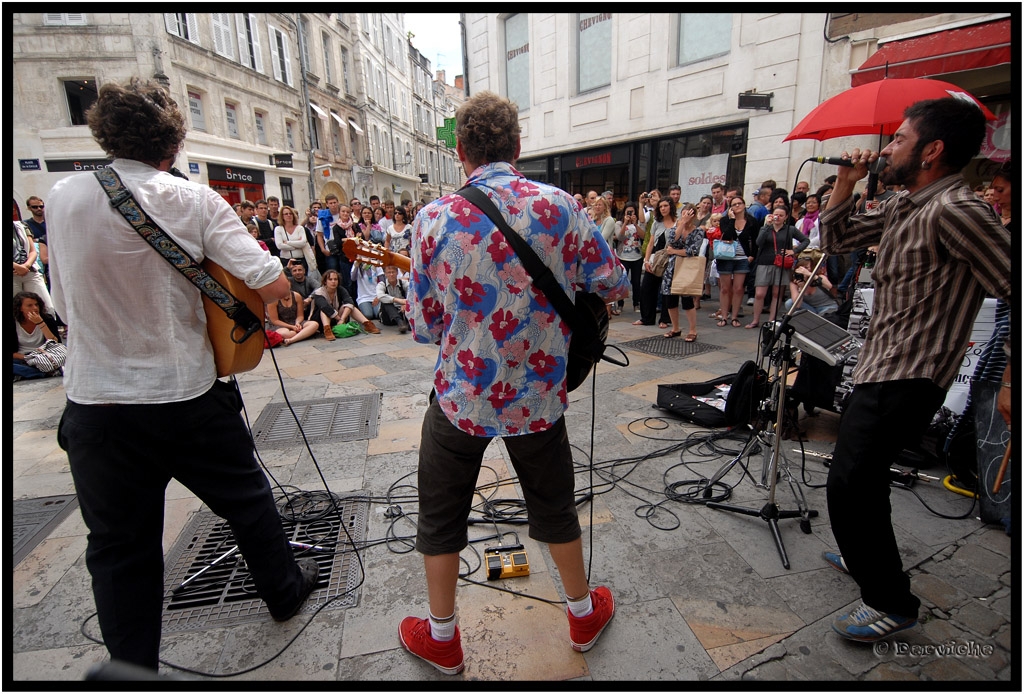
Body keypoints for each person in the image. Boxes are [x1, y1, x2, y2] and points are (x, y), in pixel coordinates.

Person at [45, 77, 319, 671]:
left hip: (96, 403)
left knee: (118, 548)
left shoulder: (63, 196)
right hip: (185, 395)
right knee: (247, 502)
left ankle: (132, 669)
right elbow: (272, 285)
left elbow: (63, 302)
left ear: (104, 134)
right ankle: (283, 590)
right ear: (172, 143)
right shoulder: (190, 199)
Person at [403, 91, 628, 675]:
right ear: (518, 146)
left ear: (461, 151)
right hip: (538, 396)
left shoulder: (433, 218)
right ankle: (582, 614)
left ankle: (443, 637)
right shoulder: (559, 206)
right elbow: (611, 280)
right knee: (555, 506)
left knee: (440, 513)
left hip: (460, 399)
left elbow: (425, 325)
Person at [818, 98, 1011, 643]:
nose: (887, 147)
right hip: (880, 363)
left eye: (899, 139)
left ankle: (890, 602)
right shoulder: (906, 205)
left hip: (914, 371)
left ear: (932, 150)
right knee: (859, 478)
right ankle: (865, 559)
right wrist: (847, 182)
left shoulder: (958, 210)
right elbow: (834, 241)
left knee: (850, 481)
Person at [748, 205, 808, 328]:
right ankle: (755, 320)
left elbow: (805, 240)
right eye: (776, 214)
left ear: (786, 217)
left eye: (781, 215)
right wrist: (766, 226)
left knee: (777, 293)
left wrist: (794, 251)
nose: (778, 217)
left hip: (782, 263)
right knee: (759, 293)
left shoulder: (790, 229)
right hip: (764, 262)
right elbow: (759, 242)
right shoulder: (766, 228)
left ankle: (772, 320)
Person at [660, 203, 704, 341]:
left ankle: (692, 330)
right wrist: (682, 224)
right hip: (672, 268)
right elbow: (671, 240)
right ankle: (675, 328)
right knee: (670, 300)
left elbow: (693, 251)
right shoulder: (675, 228)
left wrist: (674, 251)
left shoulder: (698, 231)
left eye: (689, 214)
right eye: (684, 214)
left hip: (687, 268)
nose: (687, 217)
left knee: (687, 300)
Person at [714, 196, 755, 327]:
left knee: (738, 288)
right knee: (725, 288)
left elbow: (755, 240)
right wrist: (732, 220)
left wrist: (752, 255)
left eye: (739, 204)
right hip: (726, 256)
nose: (737, 206)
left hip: (742, 257)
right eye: (734, 204)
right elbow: (727, 235)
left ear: (744, 205)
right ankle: (724, 316)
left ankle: (735, 316)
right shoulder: (725, 220)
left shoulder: (751, 221)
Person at [635, 197, 676, 328]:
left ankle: (665, 319)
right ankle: (647, 317)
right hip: (656, 257)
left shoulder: (678, 222)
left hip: (670, 257)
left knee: (666, 290)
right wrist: (647, 260)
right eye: (661, 206)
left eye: (665, 206)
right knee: (646, 288)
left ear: (671, 207)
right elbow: (651, 243)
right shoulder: (656, 222)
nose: (663, 209)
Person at [310, 269, 379, 340]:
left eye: (335, 279)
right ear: (325, 281)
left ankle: (367, 324)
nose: (333, 282)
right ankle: (327, 330)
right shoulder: (318, 293)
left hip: (338, 319)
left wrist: (342, 319)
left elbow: (349, 302)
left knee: (351, 307)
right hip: (321, 321)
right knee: (324, 310)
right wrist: (338, 318)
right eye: (330, 279)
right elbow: (324, 306)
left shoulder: (340, 289)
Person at [12, 291, 62, 380]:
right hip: (22, 358)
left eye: (36, 305)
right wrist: (27, 358)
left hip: (45, 357)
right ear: (20, 308)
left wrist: (40, 323)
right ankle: (44, 373)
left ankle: (24, 374)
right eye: (29, 305)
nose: (35, 308)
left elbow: (55, 343)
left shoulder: (47, 319)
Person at [13, 220, 55, 316]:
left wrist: (26, 266)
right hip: (14, 273)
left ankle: (50, 330)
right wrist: (16, 266)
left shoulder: (22, 225)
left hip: (30, 270)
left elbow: (33, 251)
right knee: (17, 312)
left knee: (48, 309)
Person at [614, 202, 645, 314]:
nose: (630, 214)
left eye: (632, 212)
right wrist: (625, 223)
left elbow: (643, 236)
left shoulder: (639, 223)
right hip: (623, 256)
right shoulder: (618, 223)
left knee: (636, 282)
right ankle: (620, 304)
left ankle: (636, 303)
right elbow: (620, 237)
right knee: (622, 281)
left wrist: (635, 224)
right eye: (628, 212)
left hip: (637, 256)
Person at [274, 205, 313, 271]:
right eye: (286, 214)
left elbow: (303, 243)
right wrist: (296, 245)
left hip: (300, 259)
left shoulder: (300, 228)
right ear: (282, 216)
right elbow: (279, 245)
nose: (289, 215)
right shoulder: (278, 229)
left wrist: (288, 243)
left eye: (290, 213)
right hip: (285, 260)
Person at [375, 264, 410, 333]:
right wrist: (398, 300)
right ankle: (400, 322)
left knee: (412, 303)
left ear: (397, 273)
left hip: (402, 311)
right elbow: (380, 295)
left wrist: (407, 304)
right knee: (385, 302)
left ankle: (405, 322)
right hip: (387, 317)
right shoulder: (382, 284)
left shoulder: (403, 283)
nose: (391, 274)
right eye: (389, 272)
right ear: (385, 274)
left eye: (393, 272)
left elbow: (413, 293)